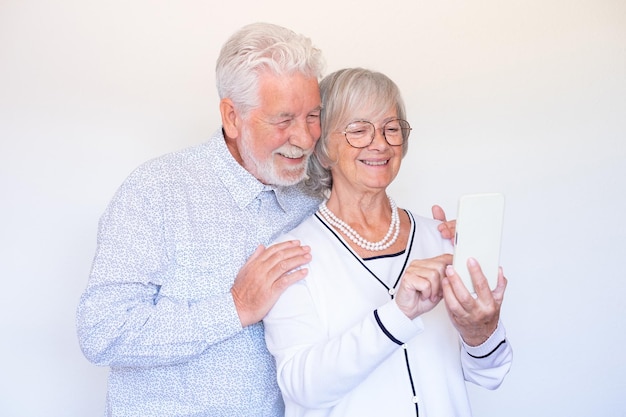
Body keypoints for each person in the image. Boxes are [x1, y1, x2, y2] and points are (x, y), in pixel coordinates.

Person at [76, 24, 455, 416]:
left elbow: (367, 235)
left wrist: (439, 238)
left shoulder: (311, 195)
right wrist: (235, 306)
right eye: (283, 120)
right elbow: (102, 332)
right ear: (232, 116)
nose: (306, 138)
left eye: (313, 116)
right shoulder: (157, 191)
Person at [263, 68, 513, 417]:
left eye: (391, 129)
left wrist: (481, 330)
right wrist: (398, 314)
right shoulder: (292, 256)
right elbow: (303, 388)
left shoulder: (440, 239)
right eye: (358, 129)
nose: (379, 143)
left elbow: (490, 374)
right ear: (321, 150)